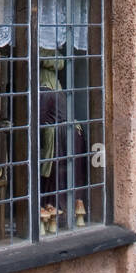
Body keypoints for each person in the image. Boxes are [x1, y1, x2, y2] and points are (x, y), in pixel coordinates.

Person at [38, 50, 88, 232]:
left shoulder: (44, 92)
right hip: (73, 135)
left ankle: (51, 210)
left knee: (53, 178)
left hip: (60, 140)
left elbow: (39, 121)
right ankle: (75, 208)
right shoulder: (58, 92)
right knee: (69, 176)